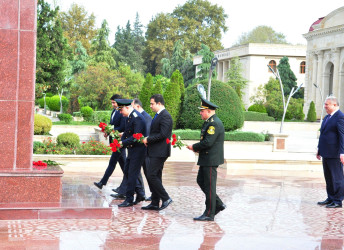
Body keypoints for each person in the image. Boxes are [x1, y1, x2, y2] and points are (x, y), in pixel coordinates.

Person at [186, 97, 226, 221]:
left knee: (209, 186)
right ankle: (218, 204)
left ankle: (209, 213)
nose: (200, 113)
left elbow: (208, 142)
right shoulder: (209, 122)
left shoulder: (214, 123)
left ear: (208, 111)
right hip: (206, 158)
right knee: (201, 181)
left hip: (210, 159)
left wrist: (194, 147)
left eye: (202, 111)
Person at [142, 94, 173, 211]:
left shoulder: (165, 116)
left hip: (160, 152)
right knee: (156, 176)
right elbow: (156, 132)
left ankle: (166, 198)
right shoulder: (158, 115)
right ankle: (155, 202)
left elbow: (163, 134)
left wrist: (148, 139)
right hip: (155, 150)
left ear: (159, 104)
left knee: (151, 175)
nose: (150, 106)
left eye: (152, 104)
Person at [115, 99, 147, 207]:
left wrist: (122, 143)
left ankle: (129, 199)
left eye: (121, 110)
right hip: (132, 150)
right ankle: (140, 194)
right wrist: (121, 142)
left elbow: (135, 136)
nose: (120, 112)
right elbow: (127, 133)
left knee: (132, 174)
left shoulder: (137, 118)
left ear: (128, 107)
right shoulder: (129, 117)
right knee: (128, 171)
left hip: (138, 150)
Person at [94, 94, 126, 191]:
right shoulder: (114, 111)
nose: (112, 104)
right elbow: (112, 124)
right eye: (112, 102)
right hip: (114, 140)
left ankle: (103, 182)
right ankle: (135, 186)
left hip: (119, 141)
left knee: (112, 162)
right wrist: (108, 132)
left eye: (114, 102)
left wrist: (112, 130)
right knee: (125, 166)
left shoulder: (122, 112)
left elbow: (122, 127)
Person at [316, 96, 344, 208]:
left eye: (327, 104)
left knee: (337, 178)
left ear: (334, 105)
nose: (325, 106)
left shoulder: (340, 117)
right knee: (328, 177)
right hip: (326, 152)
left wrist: (342, 153)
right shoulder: (328, 117)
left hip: (335, 153)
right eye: (325, 104)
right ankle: (330, 198)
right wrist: (319, 149)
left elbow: (342, 136)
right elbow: (323, 135)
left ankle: (337, 201)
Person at [132, 98, 153, 201]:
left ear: (138, 106)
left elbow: (147, 134)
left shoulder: (146, 117)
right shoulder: (137, 117)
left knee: (148, 172)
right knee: (137, 172)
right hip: (138, 149)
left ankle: (154, 193)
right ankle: (141, 193)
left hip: (145, 150)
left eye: (133, 107)